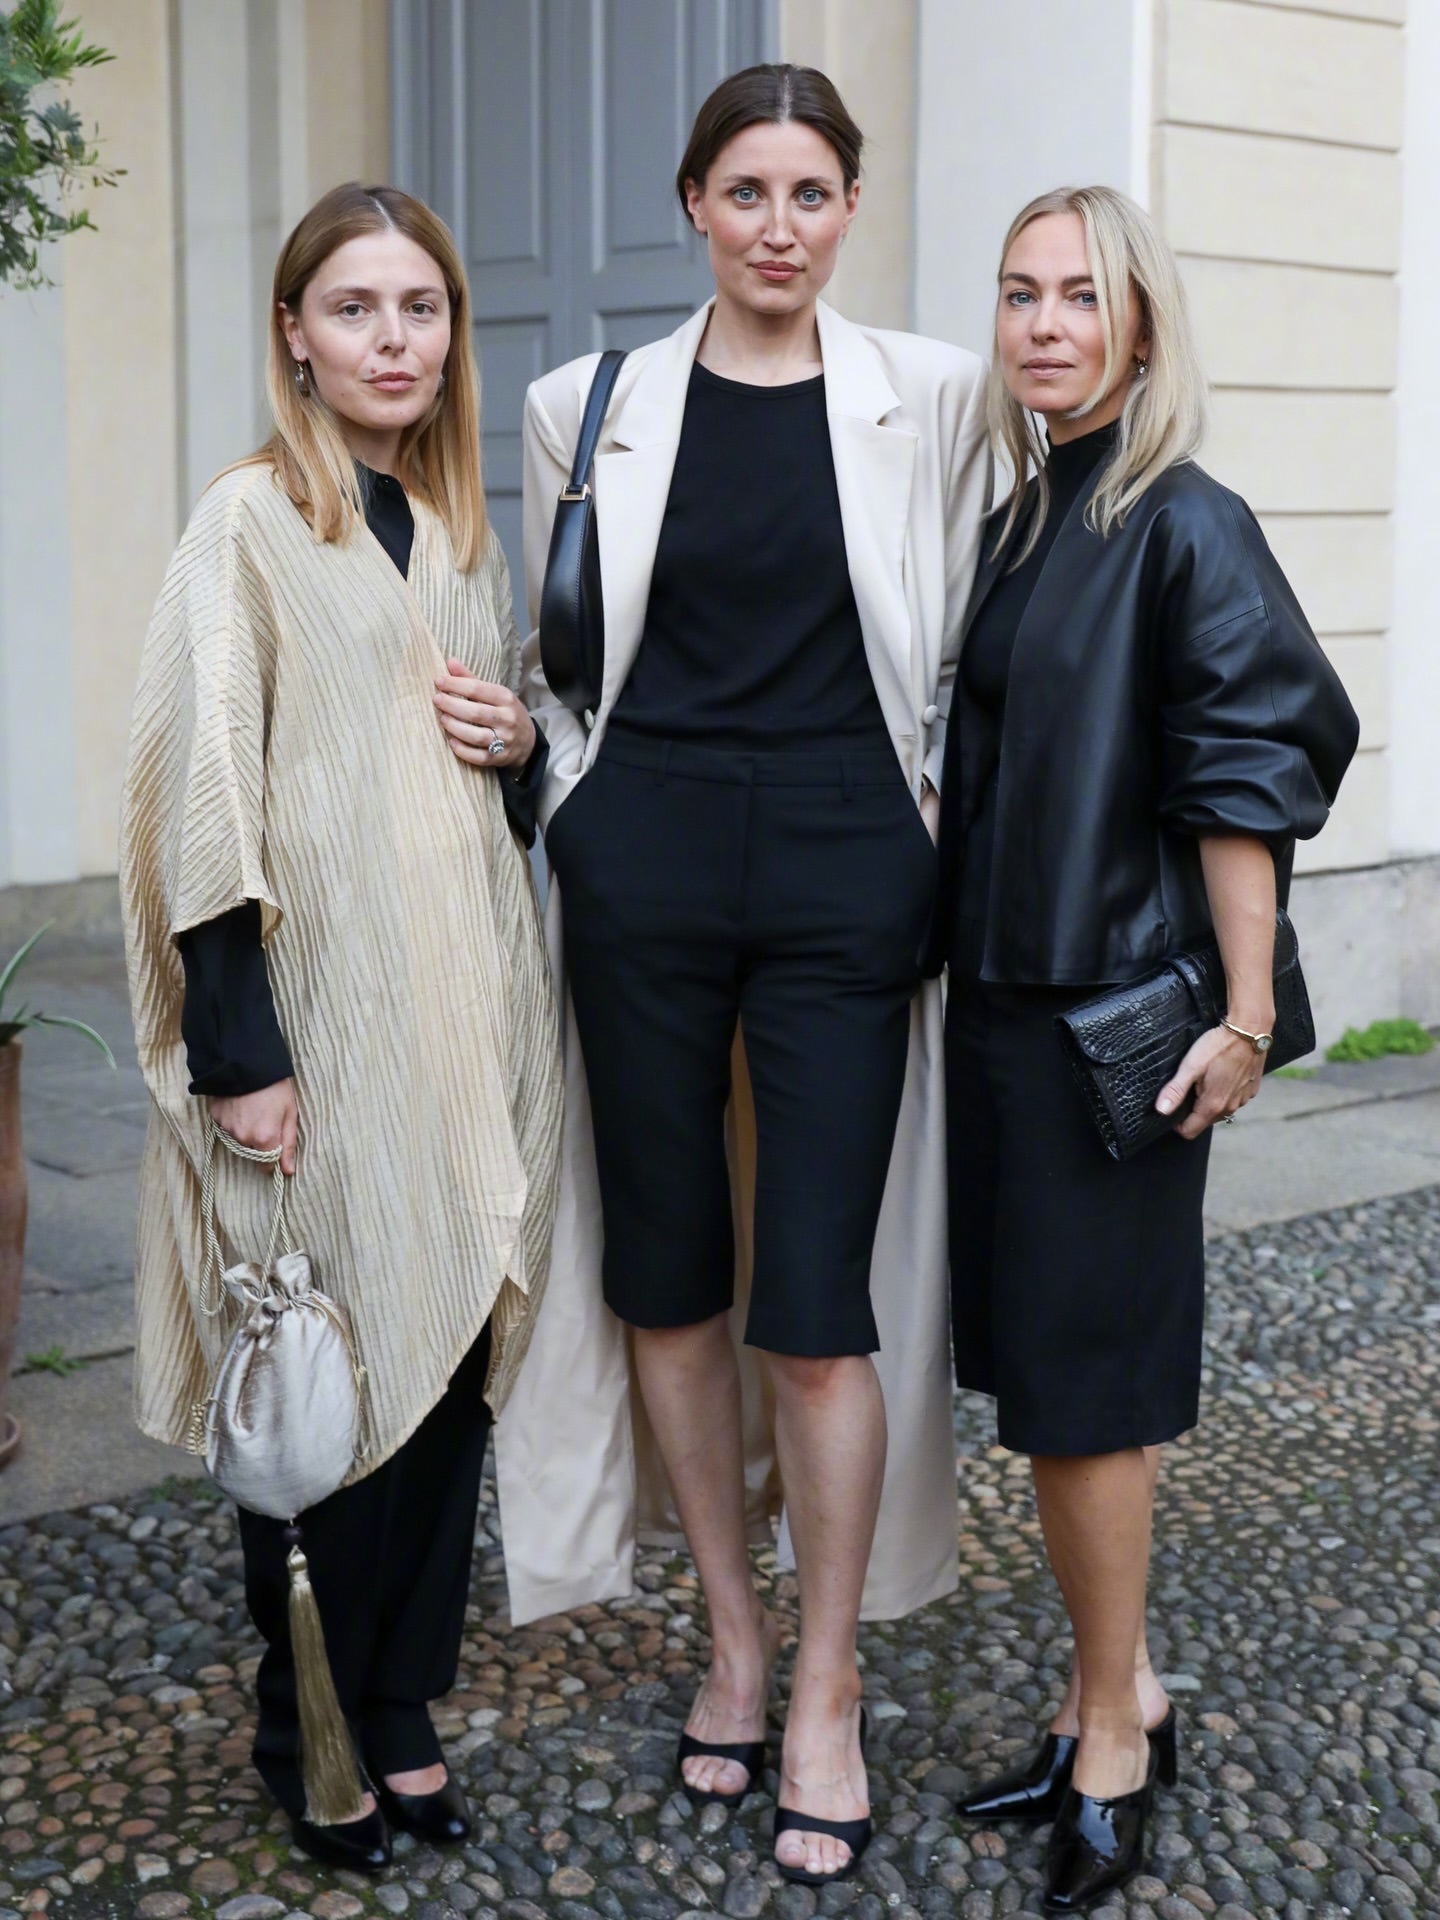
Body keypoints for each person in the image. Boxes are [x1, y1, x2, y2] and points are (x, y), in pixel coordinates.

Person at [440, 63, 987, 1888]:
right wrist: (561, 785)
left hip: (847, 867)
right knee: (666, 1275)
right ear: (692, 205)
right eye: (745, 191)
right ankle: (732, 1647)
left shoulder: (937, 395)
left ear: (849, 210)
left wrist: (932, 822)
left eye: (810, 192)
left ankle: (827, 1683)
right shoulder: (581, 403)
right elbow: (562, 650)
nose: (777, 225)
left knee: (816, 1302)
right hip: (646, 861)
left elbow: (972, 628)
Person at [120, 182, 562, 1875]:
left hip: (463, 1024)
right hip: (313, 1033)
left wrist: (517, 744)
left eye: (421, 308)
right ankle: (300, 1713)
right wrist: (238, 1051)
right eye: (357, 308)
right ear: (294, 336)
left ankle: (401, 1701)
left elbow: (481, 775)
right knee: (319, 1372)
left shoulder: (454, 531)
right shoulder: (244, 524)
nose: (394, 340)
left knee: (447, 1366)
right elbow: (202, 786)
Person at [927, 185, 1359, 1912]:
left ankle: (1114, 1731)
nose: (1045, 323)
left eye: (1081, 295)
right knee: (1054, 1392)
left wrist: (1246, 1020)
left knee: (1092, 1397)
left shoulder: (1188, 521)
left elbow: (1245, 783)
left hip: (1121, 1029)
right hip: (1005, 1012)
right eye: (1020, 293)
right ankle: (1111, 1691)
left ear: (1141, 325)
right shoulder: (1031, 514)